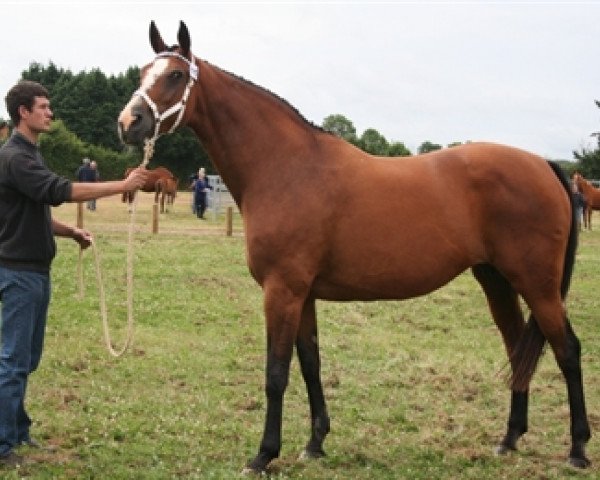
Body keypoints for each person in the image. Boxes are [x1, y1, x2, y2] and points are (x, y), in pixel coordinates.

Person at [0, 80, 149, 467]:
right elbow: (57, 190)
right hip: (19, 274)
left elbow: (33, 210)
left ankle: (17, 432)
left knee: (26, 359)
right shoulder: (16, 157)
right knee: (14, 361)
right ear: (24, 113)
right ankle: (3, 446)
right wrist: (123, 185)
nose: (51, 113)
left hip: (33, 272)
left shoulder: (28, 154)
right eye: (44, 107)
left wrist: (71, 232)